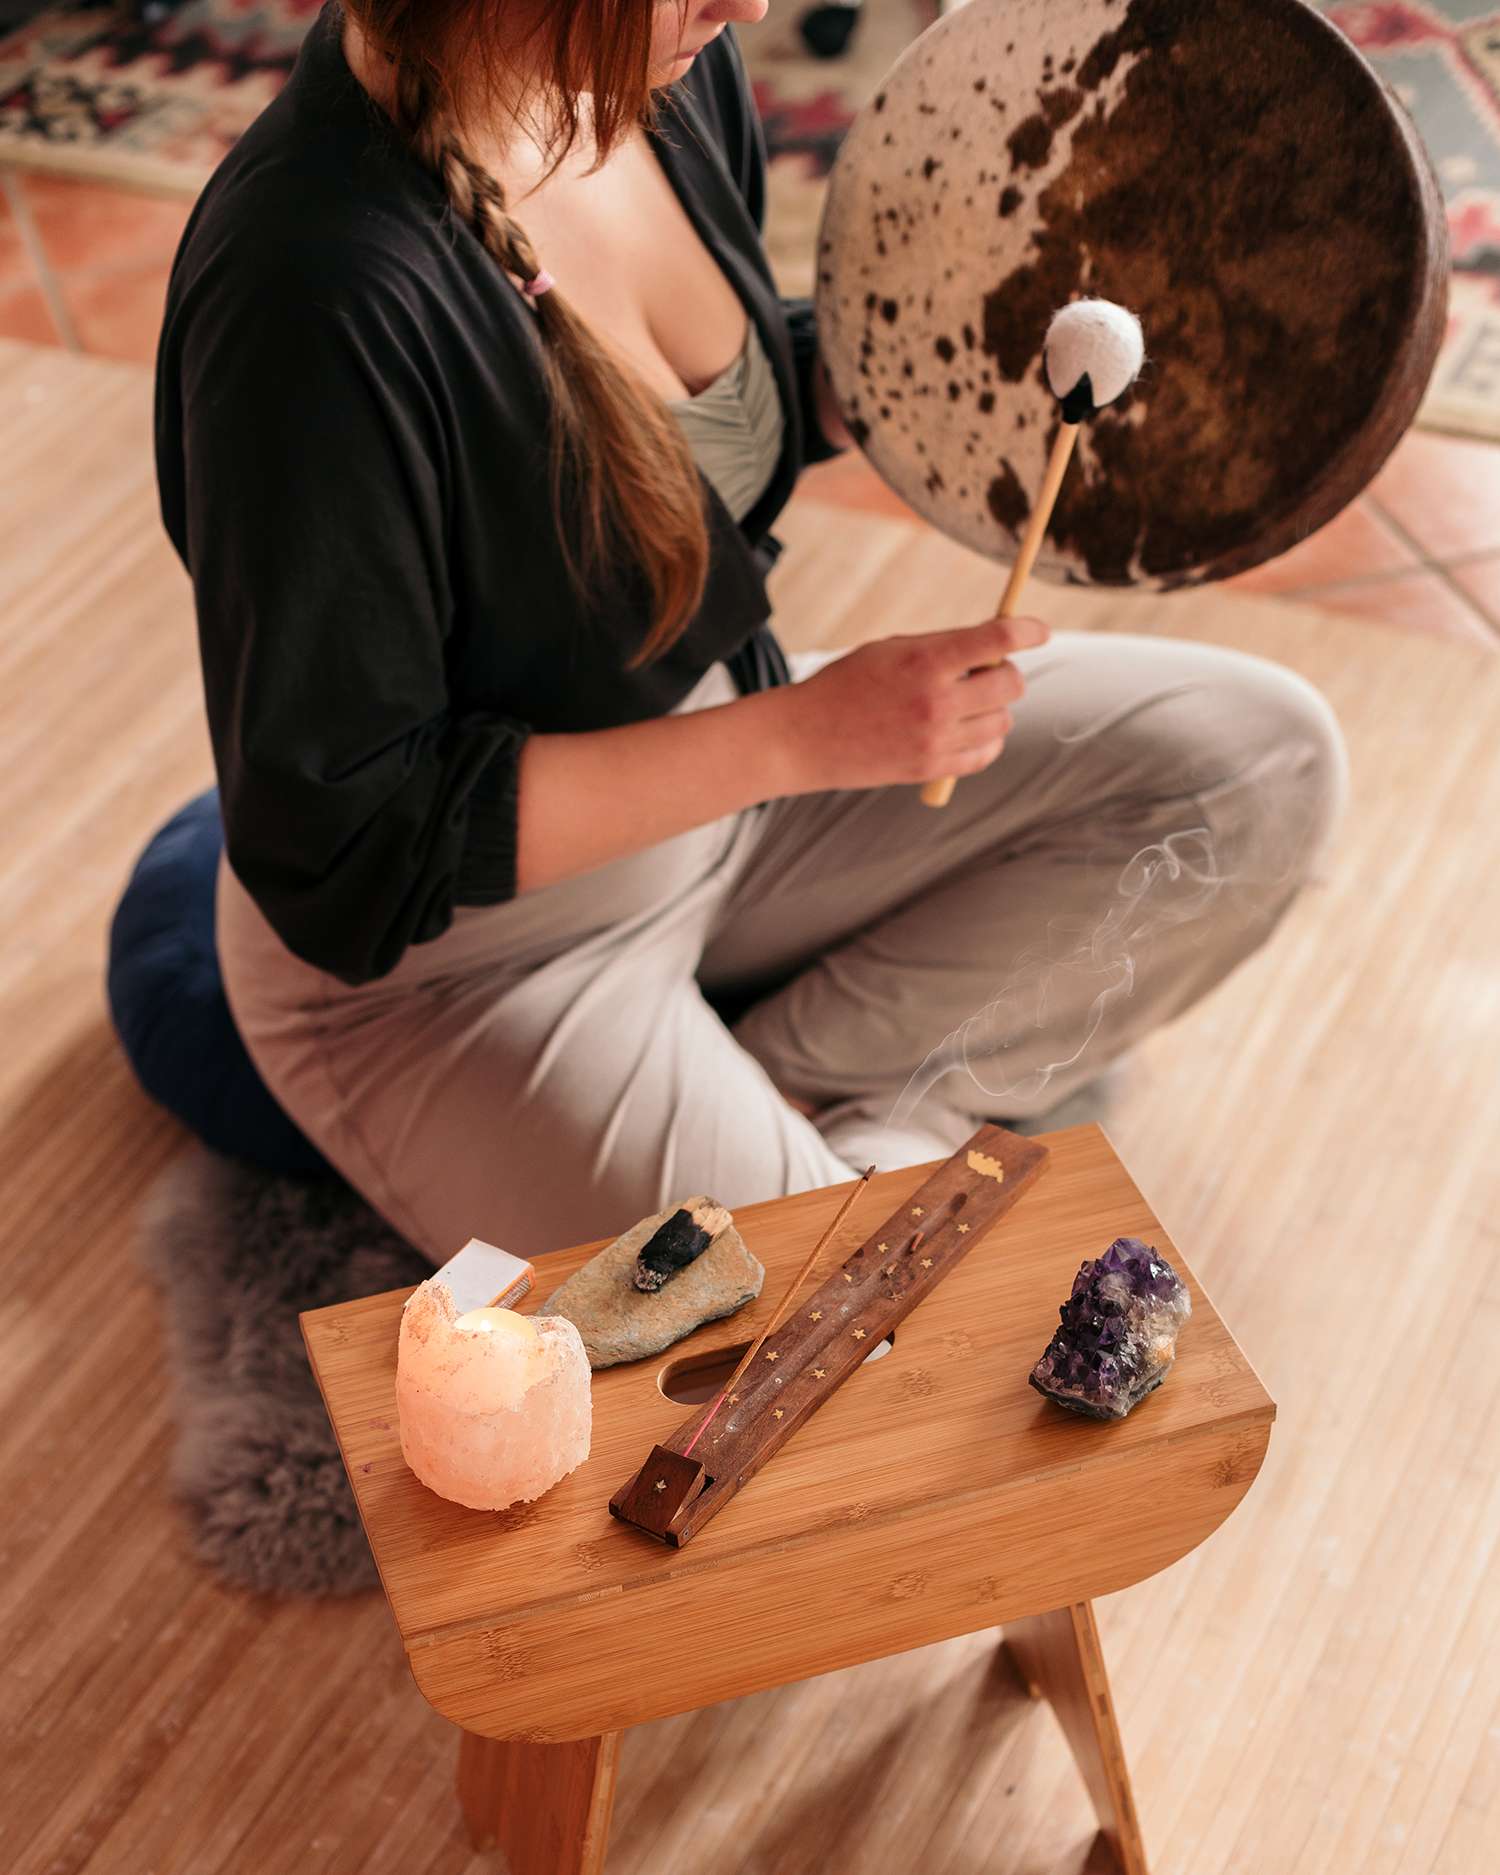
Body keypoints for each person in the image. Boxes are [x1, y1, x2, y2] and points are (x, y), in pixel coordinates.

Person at [154, 0, 1346, 1264]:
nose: (752, 8)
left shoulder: (658, 76)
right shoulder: (310, 290)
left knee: (1265, 764)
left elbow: (681, 427)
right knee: (835, 1356)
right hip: (465, 967)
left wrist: (924, 350)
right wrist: (799, 739)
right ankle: (821, 1138)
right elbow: (350, 846)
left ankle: (791, 1089)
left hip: (730, 803)